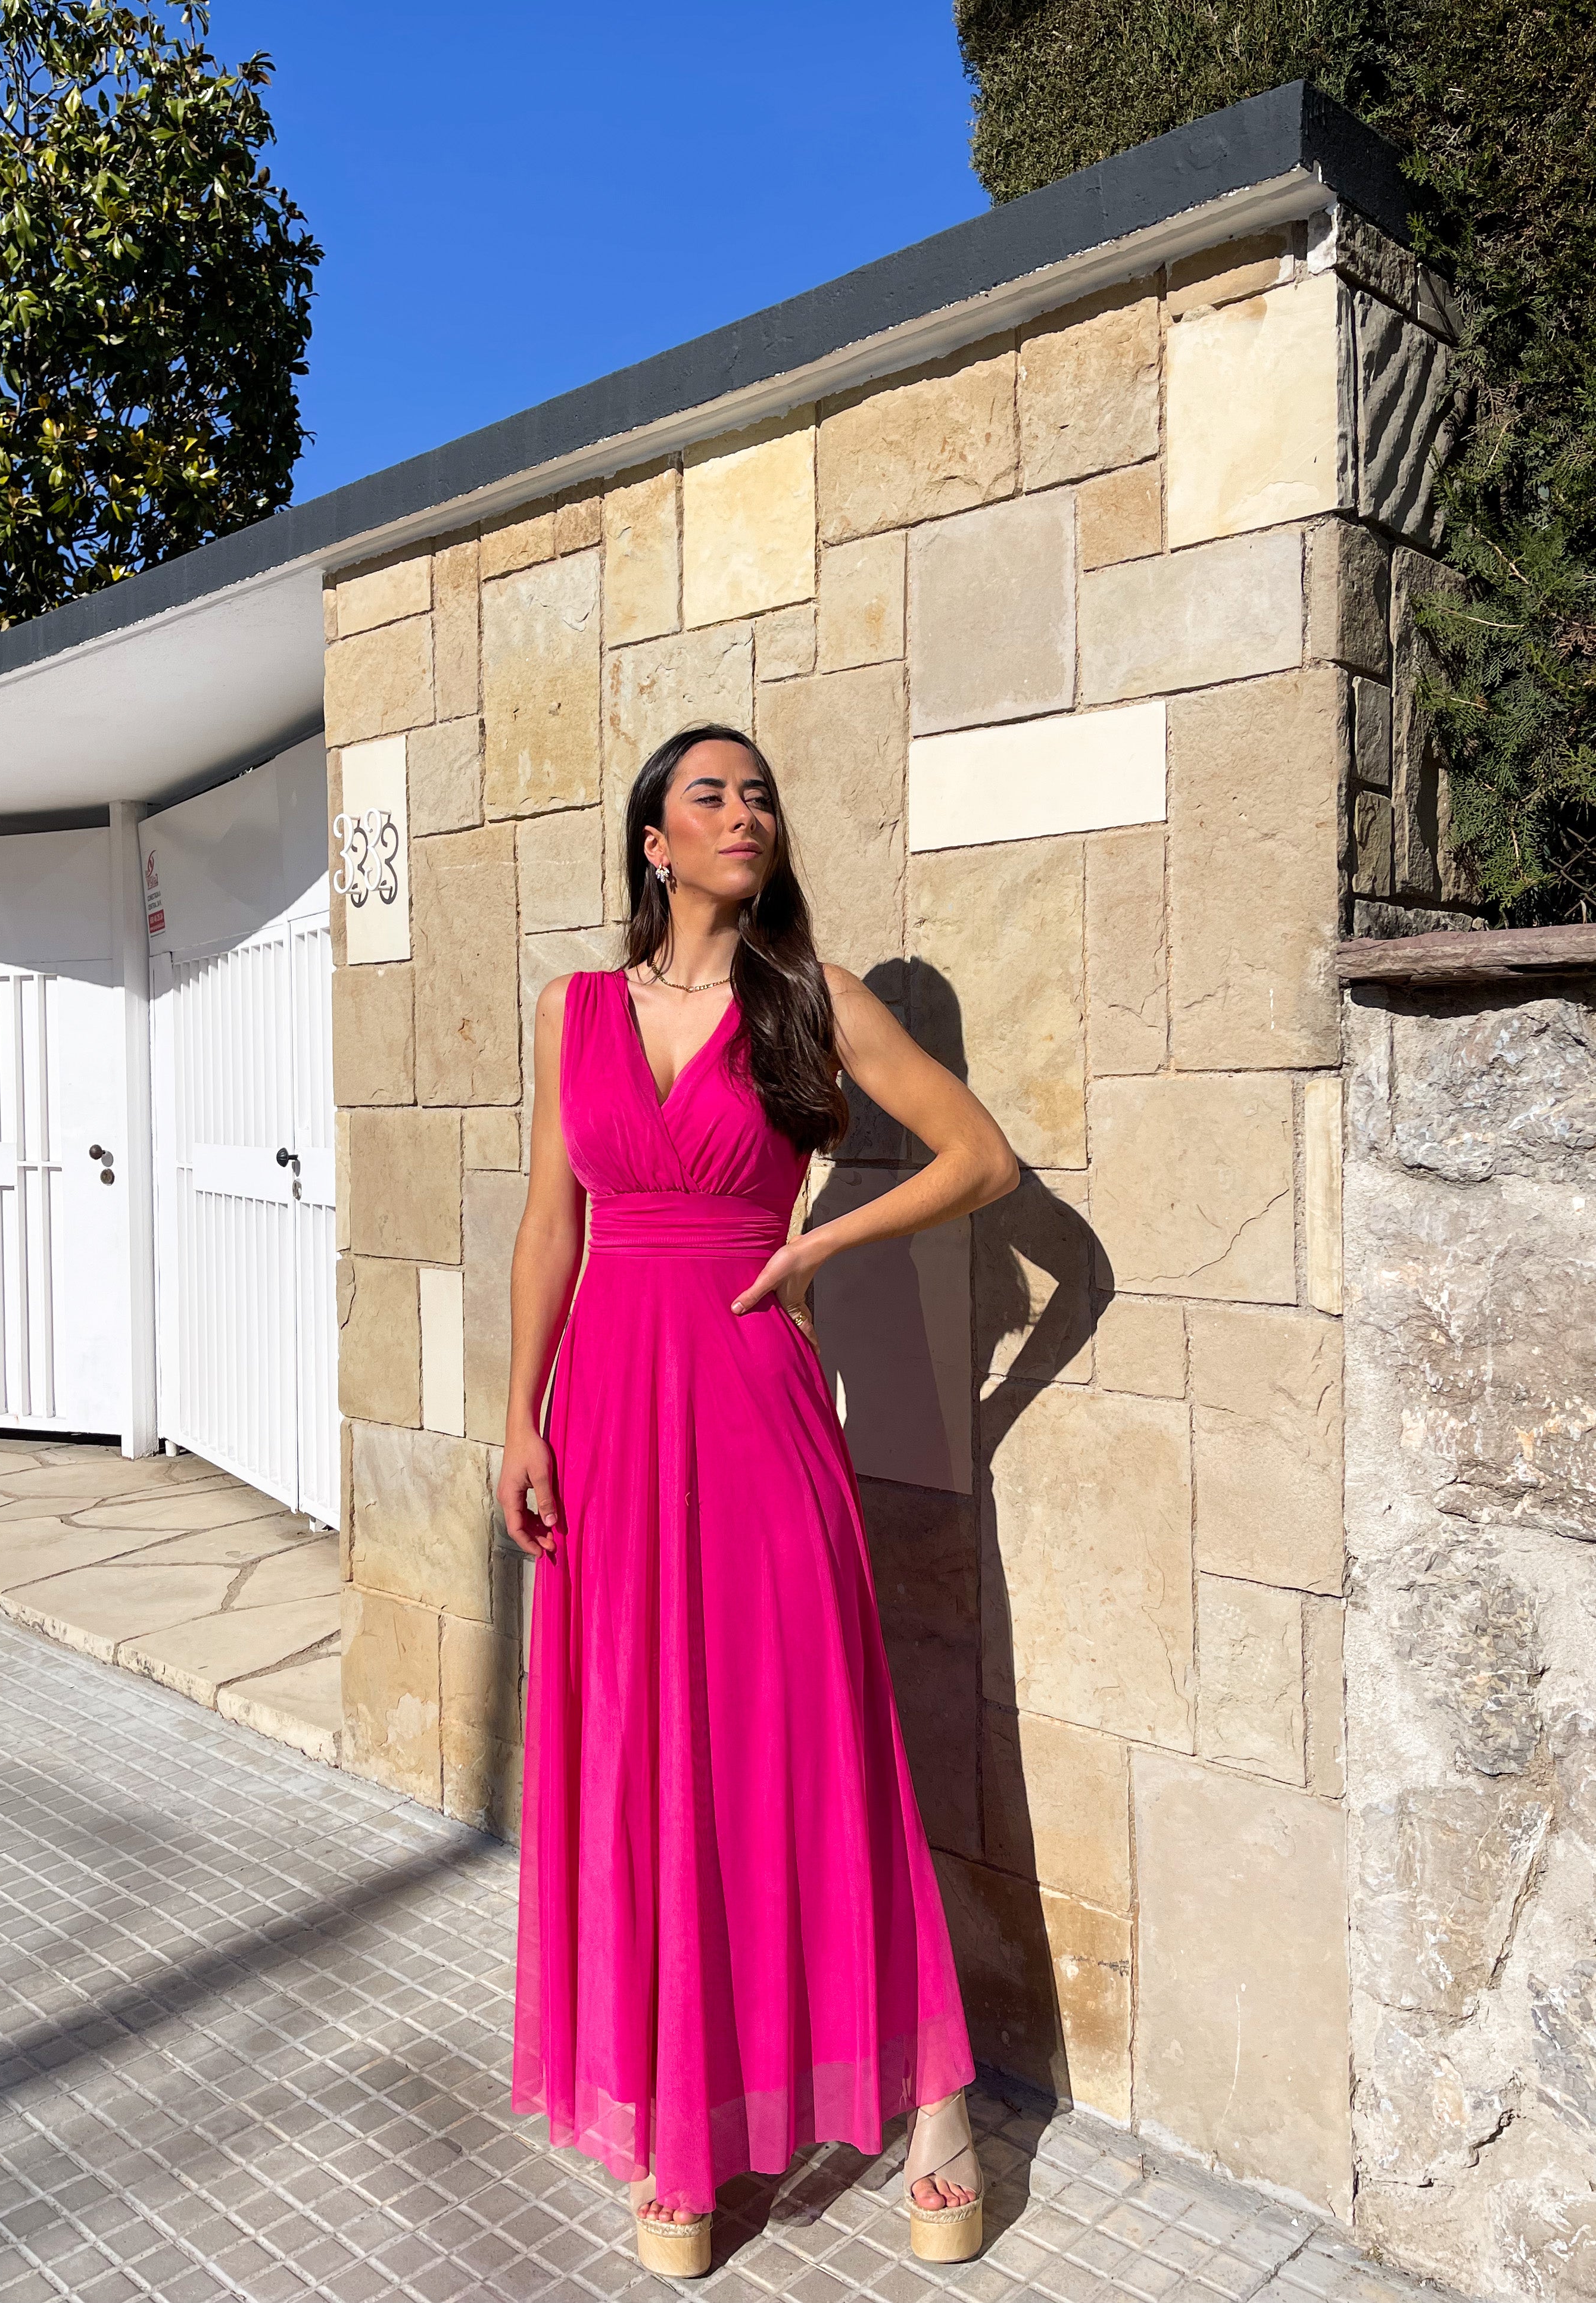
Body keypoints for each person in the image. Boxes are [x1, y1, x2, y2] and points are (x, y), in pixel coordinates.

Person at [501, 722, 1019, 2278]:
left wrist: (818, 1249)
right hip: (601, 1418)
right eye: (709, 793)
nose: (745, 811)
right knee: (642, 1762)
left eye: (760, 793)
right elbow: (550, 1221)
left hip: (753, 1415)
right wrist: (513, 1419)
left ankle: (934, 2105)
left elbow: (980, 1159)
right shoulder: (572, 1010)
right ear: (651, 842)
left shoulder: (811, 1002)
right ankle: (682, 2125)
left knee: (814, 1751)